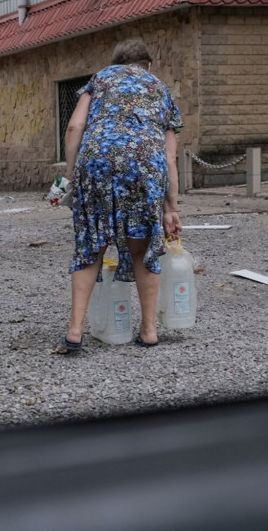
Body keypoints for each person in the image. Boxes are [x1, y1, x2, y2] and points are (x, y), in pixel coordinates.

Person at [60, 39, 183, 352]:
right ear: (147, 65)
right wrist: (171, 208)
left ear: (115, 62)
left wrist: (71, 175)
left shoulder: (99, 79)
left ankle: (75, 331)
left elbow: (75, 127)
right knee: (142, 249)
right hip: (144, 166)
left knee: (92, 245)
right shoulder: (160, 88)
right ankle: (149, 330)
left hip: (96, 162)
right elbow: (169, 159)